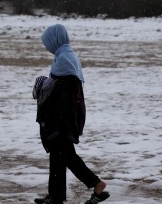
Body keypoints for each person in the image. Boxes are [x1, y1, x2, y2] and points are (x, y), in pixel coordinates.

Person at [33, 24, 110, 204]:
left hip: (63, 118)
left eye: (47, 43)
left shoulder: (65, 59)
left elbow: (65, 91)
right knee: (58, 156)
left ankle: (97, 184)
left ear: (55, 40)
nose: (46, 47)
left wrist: (46, 85)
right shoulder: (63, 56)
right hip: (64, 116)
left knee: (66, 156)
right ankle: (56, 196)